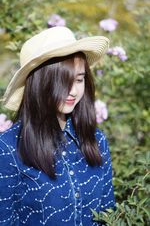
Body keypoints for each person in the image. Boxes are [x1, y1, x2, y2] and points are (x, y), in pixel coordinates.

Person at [0, 26, 115, 226]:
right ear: (40, 83)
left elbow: (109, 215)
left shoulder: (96, 141)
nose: (73, 91)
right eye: (62, 81)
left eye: (79, 79)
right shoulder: (8, 148)